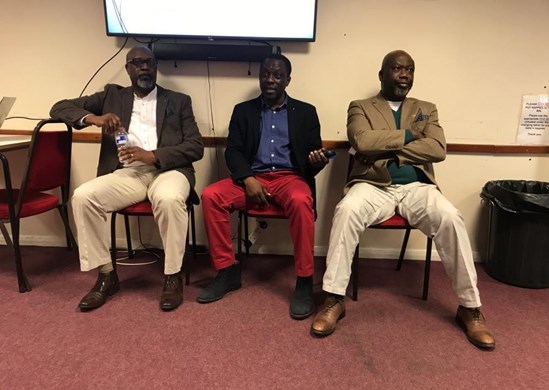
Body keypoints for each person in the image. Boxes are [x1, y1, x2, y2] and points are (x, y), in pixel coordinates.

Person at [311, 50, 496, 350]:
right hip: (373, 184)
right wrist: (410, 135)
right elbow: (362, 141)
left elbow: (437, 149)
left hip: (417, 187)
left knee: (451, 217)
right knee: (346, 210)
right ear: (382, 74)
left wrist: (391, 149)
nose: (404, 74)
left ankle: (470, 307)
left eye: (409, 69)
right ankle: (333, 299)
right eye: (397, 68)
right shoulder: (360, 106)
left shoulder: (426, 109)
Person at [50, 46, 204, 312]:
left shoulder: (178, 100)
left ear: (156, 67)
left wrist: (152, 155)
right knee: (84, 197)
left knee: (168, 199)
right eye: (138, 62)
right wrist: (93, 119)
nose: (144, 66)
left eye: (150, 62)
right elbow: (59, 108)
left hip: (169, 171)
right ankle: (107, 276)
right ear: (128, 68)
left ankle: (172, 276)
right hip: (127, 174)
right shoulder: (112, 95)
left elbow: (195, 147)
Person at [197, 54, 328, 319]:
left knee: (302, 202)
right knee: (211, 196)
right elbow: (233, 151)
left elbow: (311, 160)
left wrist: (317, 161)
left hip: (289, 178)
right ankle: (226, 271)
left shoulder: (306, 112)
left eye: (277, 75)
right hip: (251, 177)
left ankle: (304, 280)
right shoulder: (243, 110)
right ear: (259, 76)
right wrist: (247, 179)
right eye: (266, 74)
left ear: (287, 80)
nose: (270, 80)